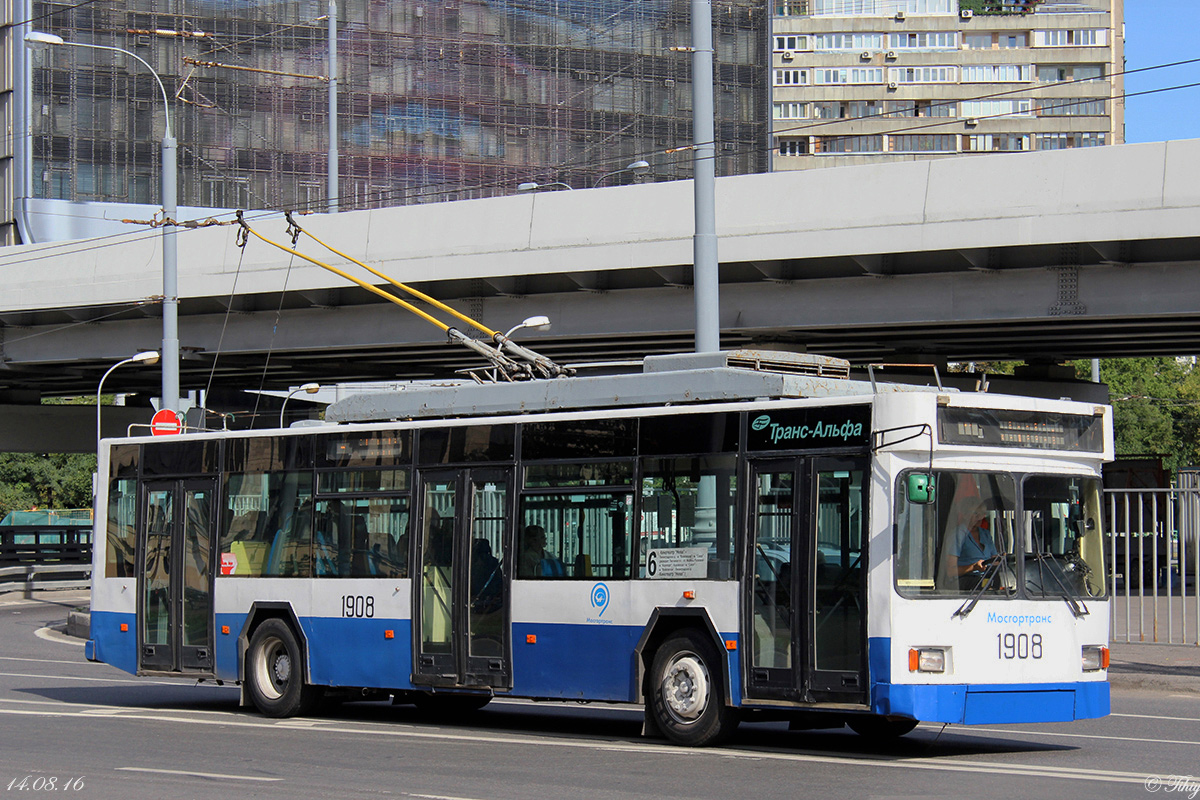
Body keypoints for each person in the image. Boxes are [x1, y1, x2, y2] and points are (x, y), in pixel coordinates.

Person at [948, 502, 1000, 580]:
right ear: (965, 514)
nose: (980, 517)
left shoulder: (986, 534)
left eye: (982, 514)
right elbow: (950, 571)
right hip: (967, 584)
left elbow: (995, 559)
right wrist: (973, 567)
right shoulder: (957, 535)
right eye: (976, 513)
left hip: (988, 581)